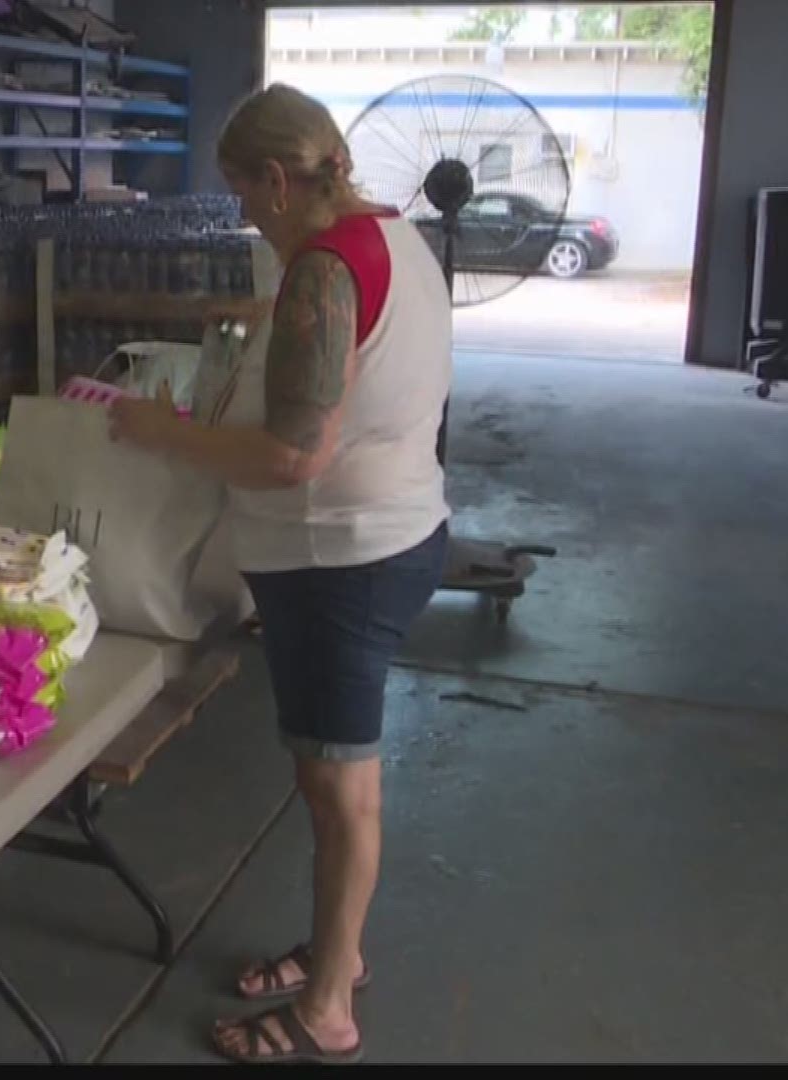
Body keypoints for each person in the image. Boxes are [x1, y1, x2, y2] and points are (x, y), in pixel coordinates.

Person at [108, 83, 453, 1066]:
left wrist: (167, 434)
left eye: (242, 196)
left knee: (340, 788)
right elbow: (359, 345)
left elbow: (292, 455)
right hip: (397, 532)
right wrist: (266, 318)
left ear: (276, 177)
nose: (242, 215)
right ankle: (337, 952)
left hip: (343, 561)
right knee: (328, 779)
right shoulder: (391, 237)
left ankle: (328, 1007)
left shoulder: (322, 274)